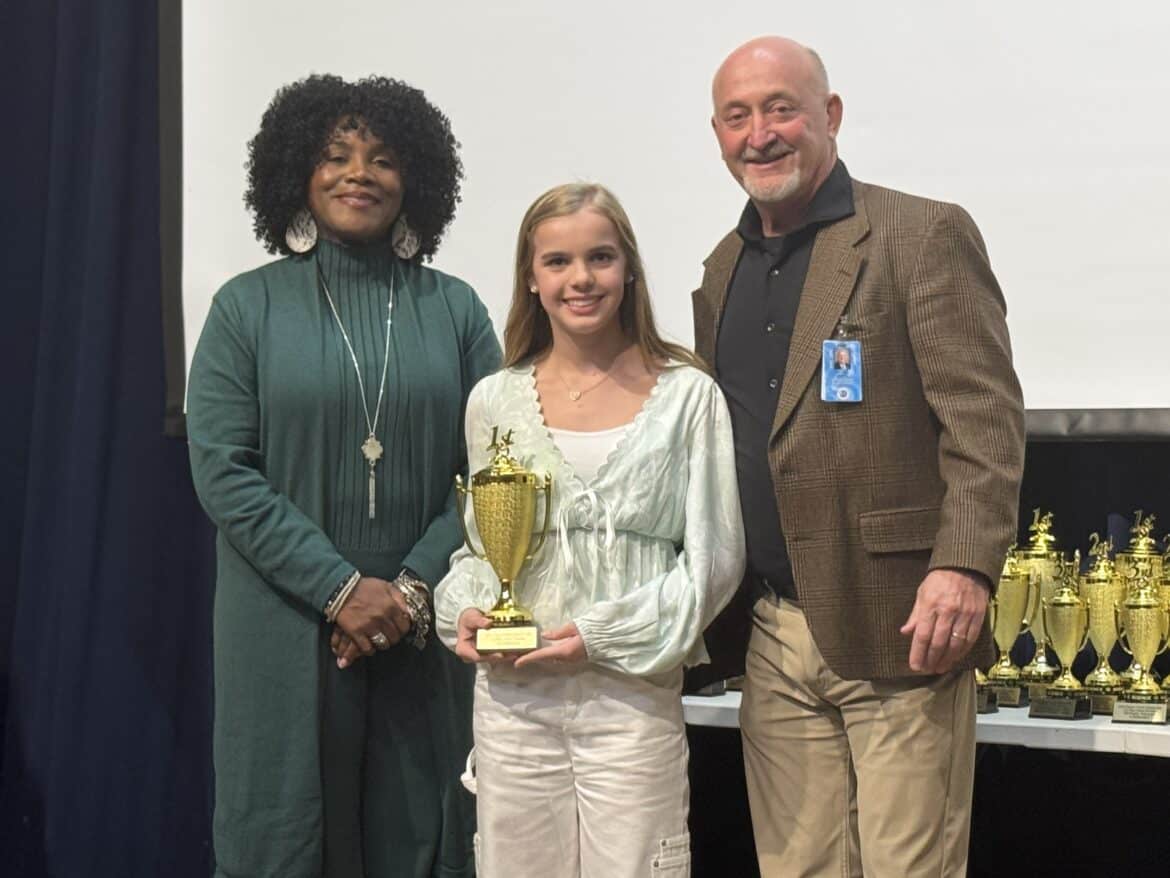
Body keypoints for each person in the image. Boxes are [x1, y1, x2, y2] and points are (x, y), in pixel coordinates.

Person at [693, 37, 1026, 877]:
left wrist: (965, 568)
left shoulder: (921, 234)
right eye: (738, 116)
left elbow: (984, 424)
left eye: (781, 108)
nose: (760, 134)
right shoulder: (720, 270)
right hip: (771, 633)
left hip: (903, 626)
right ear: (718, 134)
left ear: (830, 115)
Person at [187, 74, 500, 878]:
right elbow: (223, 471)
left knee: (425, 831)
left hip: (424, 626)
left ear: (415, 181)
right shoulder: (244, 308)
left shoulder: (456, 310)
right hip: (283, 623)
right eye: (335, 155)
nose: (359, 173)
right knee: (285, 836)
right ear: (298, 172)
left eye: (383, 159)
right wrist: (341, 589)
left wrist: (409, 592)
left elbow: (491, 470)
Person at [434, 183, 745, 878]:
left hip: (629, 699)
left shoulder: (689, 395)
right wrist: (466, 611)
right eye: (558, 261)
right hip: (513, 701)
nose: (581, 278)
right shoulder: (494, 399)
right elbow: (482, 551)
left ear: (628, 268)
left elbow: (715, 561)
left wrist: (601, 636)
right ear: (531, 278)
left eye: (600, 257)